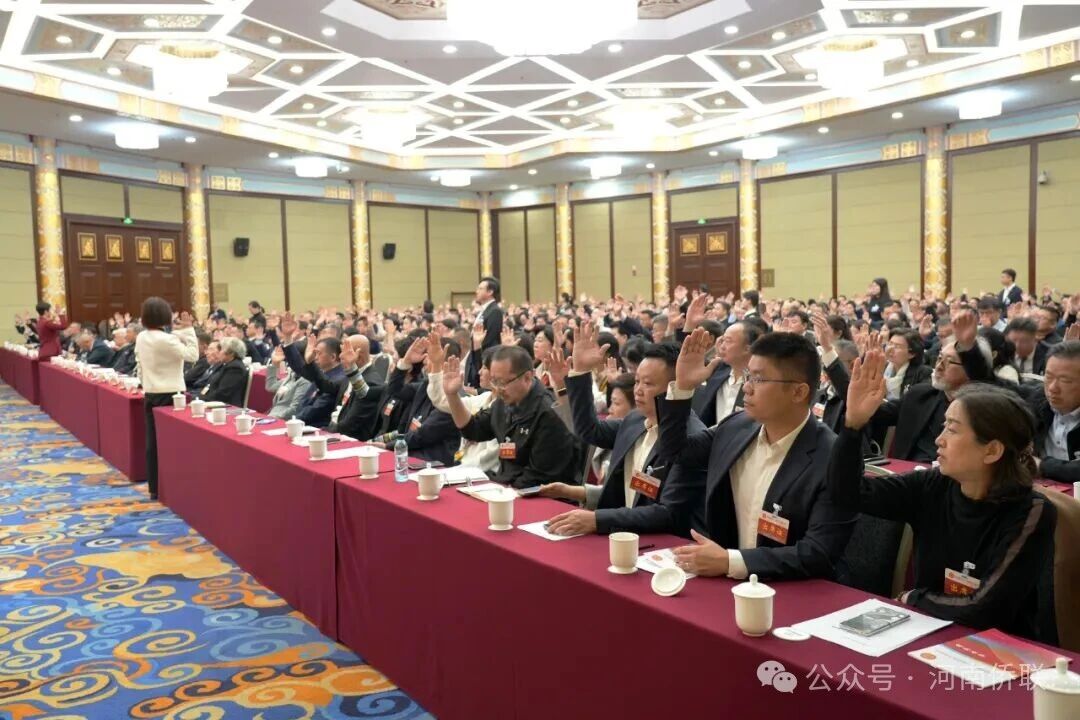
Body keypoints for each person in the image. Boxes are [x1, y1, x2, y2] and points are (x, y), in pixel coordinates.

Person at [833, 351, 1055, 639]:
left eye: (952, 430)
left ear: (991, 450)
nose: (939, 440)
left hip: (994, 647)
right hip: (926, 629)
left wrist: (914, 597)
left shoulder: (1031, 510)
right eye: (943, 427)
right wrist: (853, 426)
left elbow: (986, 609)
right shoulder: (934, 485)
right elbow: (846, 494)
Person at [660, 328, 856, 581]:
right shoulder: (736, 427)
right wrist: (683, 388)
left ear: (799, 392)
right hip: (728, 581)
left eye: (759, 380)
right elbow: (677, 451)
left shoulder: (834, 457)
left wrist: (731, 561)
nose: (747, 389)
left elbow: (818, 552)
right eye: (748, 376)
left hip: (796, 588)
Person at [541, 331, 707, 537]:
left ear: (675, 387)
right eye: (637, 381)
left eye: (648, 384)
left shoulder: (691, 439)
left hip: (663, 544)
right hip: (624, 535)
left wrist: (597, 519)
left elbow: (668, 513)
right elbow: (589, 430)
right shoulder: (635, 420)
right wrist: (581, 372)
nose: (638, 390)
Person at [442, 345, 581, 488]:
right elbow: (473, 430)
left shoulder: (549, 413)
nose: (498, 389)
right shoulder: (503, 402)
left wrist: (498, 490)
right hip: (506, 485)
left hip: (539, 493)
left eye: (502, 382)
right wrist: (452, 395)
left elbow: (539, 477)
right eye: (494, 381)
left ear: (527, 377)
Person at [870, 311, 994, 462]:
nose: (939, 366)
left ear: (970, 368)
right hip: (907, 470)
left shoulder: (985, 407)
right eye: (940, 358)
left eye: (949, 361)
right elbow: (877, 413)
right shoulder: (920, 394)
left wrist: (970, 348)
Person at [134, 297, 198, 500]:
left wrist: (181, 332)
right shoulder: (167, 340)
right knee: (173, 442)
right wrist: (190, 331)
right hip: (172, 394)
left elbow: (163, 339)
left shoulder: (141, 337)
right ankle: (175, 485)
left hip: (150, 392)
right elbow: (192, 355)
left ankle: (154, 487)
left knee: (152, 442)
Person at [373, 336, 461, 466]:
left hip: (432, 463)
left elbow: (423, 434)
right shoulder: (425, 385)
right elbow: (395, 390)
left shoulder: (453, 396)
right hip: (410, 455)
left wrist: (388, 446)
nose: (424, 361)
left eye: (429, 356)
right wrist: (406, 362)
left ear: (444, 362)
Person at [427, 345, 500, 473]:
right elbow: (441, 400)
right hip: (462, 468)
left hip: (483, 474)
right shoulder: (482, 398)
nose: (479, 372)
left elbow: (488, 458)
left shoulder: (507, 408)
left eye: (484, 367)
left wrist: (455, 471)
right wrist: (436, 365)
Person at [1031, 340, 1080, 482]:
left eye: (1065, 381)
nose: (1052, 388)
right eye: (1048, 377)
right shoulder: (1037, 402)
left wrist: (1043, 466)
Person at [283, 331, 346, 428]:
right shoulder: (323, 372)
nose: (315, 357)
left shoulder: (338, 379)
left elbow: (316, 410)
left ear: (333, 357)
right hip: (302, 421)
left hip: (316, 427)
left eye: (318, 353)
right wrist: (288, 337)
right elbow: (299, 367)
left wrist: (293, 421)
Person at [265, 344, 312, 420]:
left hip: (284, 420)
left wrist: (273, 418)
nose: (287, 360)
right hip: (273, 415)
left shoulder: (306, 381)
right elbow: (270, 387)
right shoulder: (293, 374)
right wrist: (274, 364)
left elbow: (294, 409)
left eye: (291, 357)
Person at [883, 329, 932, 400]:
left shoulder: (922, 373)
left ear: (911, 354)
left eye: (897, 346)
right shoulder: (883, 366)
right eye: (890, 344)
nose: (890, 349)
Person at [200, 337, 248, 406]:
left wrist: (202, 399)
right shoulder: (226, 364)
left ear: (231, 353)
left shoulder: (235, 368)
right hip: (214, 401)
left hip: (225, 406)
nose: (219, 352)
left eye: (221, 350)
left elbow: (223, 393)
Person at [474, 276, 504, 352]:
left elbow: (490, 338)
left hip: (486, 353)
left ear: (490, 292)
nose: (477, 291)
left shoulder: (495, 311)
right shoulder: (484, 309)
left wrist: (476, 348)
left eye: (480, 289)